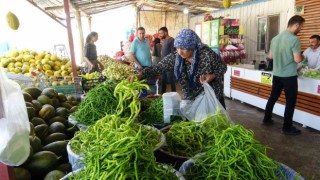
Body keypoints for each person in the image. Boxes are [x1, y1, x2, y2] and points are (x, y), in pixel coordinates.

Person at [129, 29, 227, 108]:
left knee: (213, 123)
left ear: (192, 47)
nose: (180, 52)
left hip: (210, 96)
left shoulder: (207, 55)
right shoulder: (177, 57)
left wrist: (212, 76)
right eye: (177, 48)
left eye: (183, 48)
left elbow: (222, 67)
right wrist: (141, 74)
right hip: (190, 95)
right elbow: (158, 67)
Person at [262, 15, 305, 135]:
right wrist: (303, 56)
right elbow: (297, 60)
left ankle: (267, 119)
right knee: (290, 101)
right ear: (296, 24)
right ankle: (287, 127)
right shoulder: (294, 39)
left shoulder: (275, 38)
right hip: (289, 76)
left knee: (273, 97)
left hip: (277, 74)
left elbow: (270, 56)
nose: (300, 29)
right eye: (301, 27)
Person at [159, 26, 176, 93]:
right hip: (163, 64)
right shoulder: (164, 40)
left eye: (161, 33)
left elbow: (173, 53)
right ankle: (162, 95)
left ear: (165, 33)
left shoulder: (171, 40)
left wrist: (172, 64)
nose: (160, 35)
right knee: (163, 80)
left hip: (169, 64)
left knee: (171, 80)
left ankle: (174, 95)